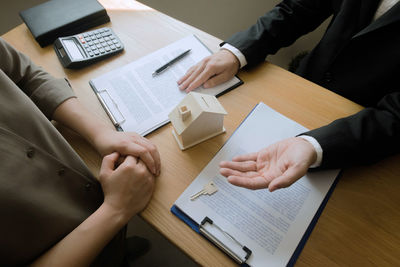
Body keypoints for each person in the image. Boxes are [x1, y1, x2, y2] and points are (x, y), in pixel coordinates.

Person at [178, 0, 400, 192]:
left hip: (362, 137)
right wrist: (238, 52)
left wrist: (315, 146)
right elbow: (298, 8)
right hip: (304, 86)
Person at [0, 37, 161, 266]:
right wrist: (116, 210)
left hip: (92, 205)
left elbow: (26, 76)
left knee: (111, 249)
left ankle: (115, 248)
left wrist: (101, 133)